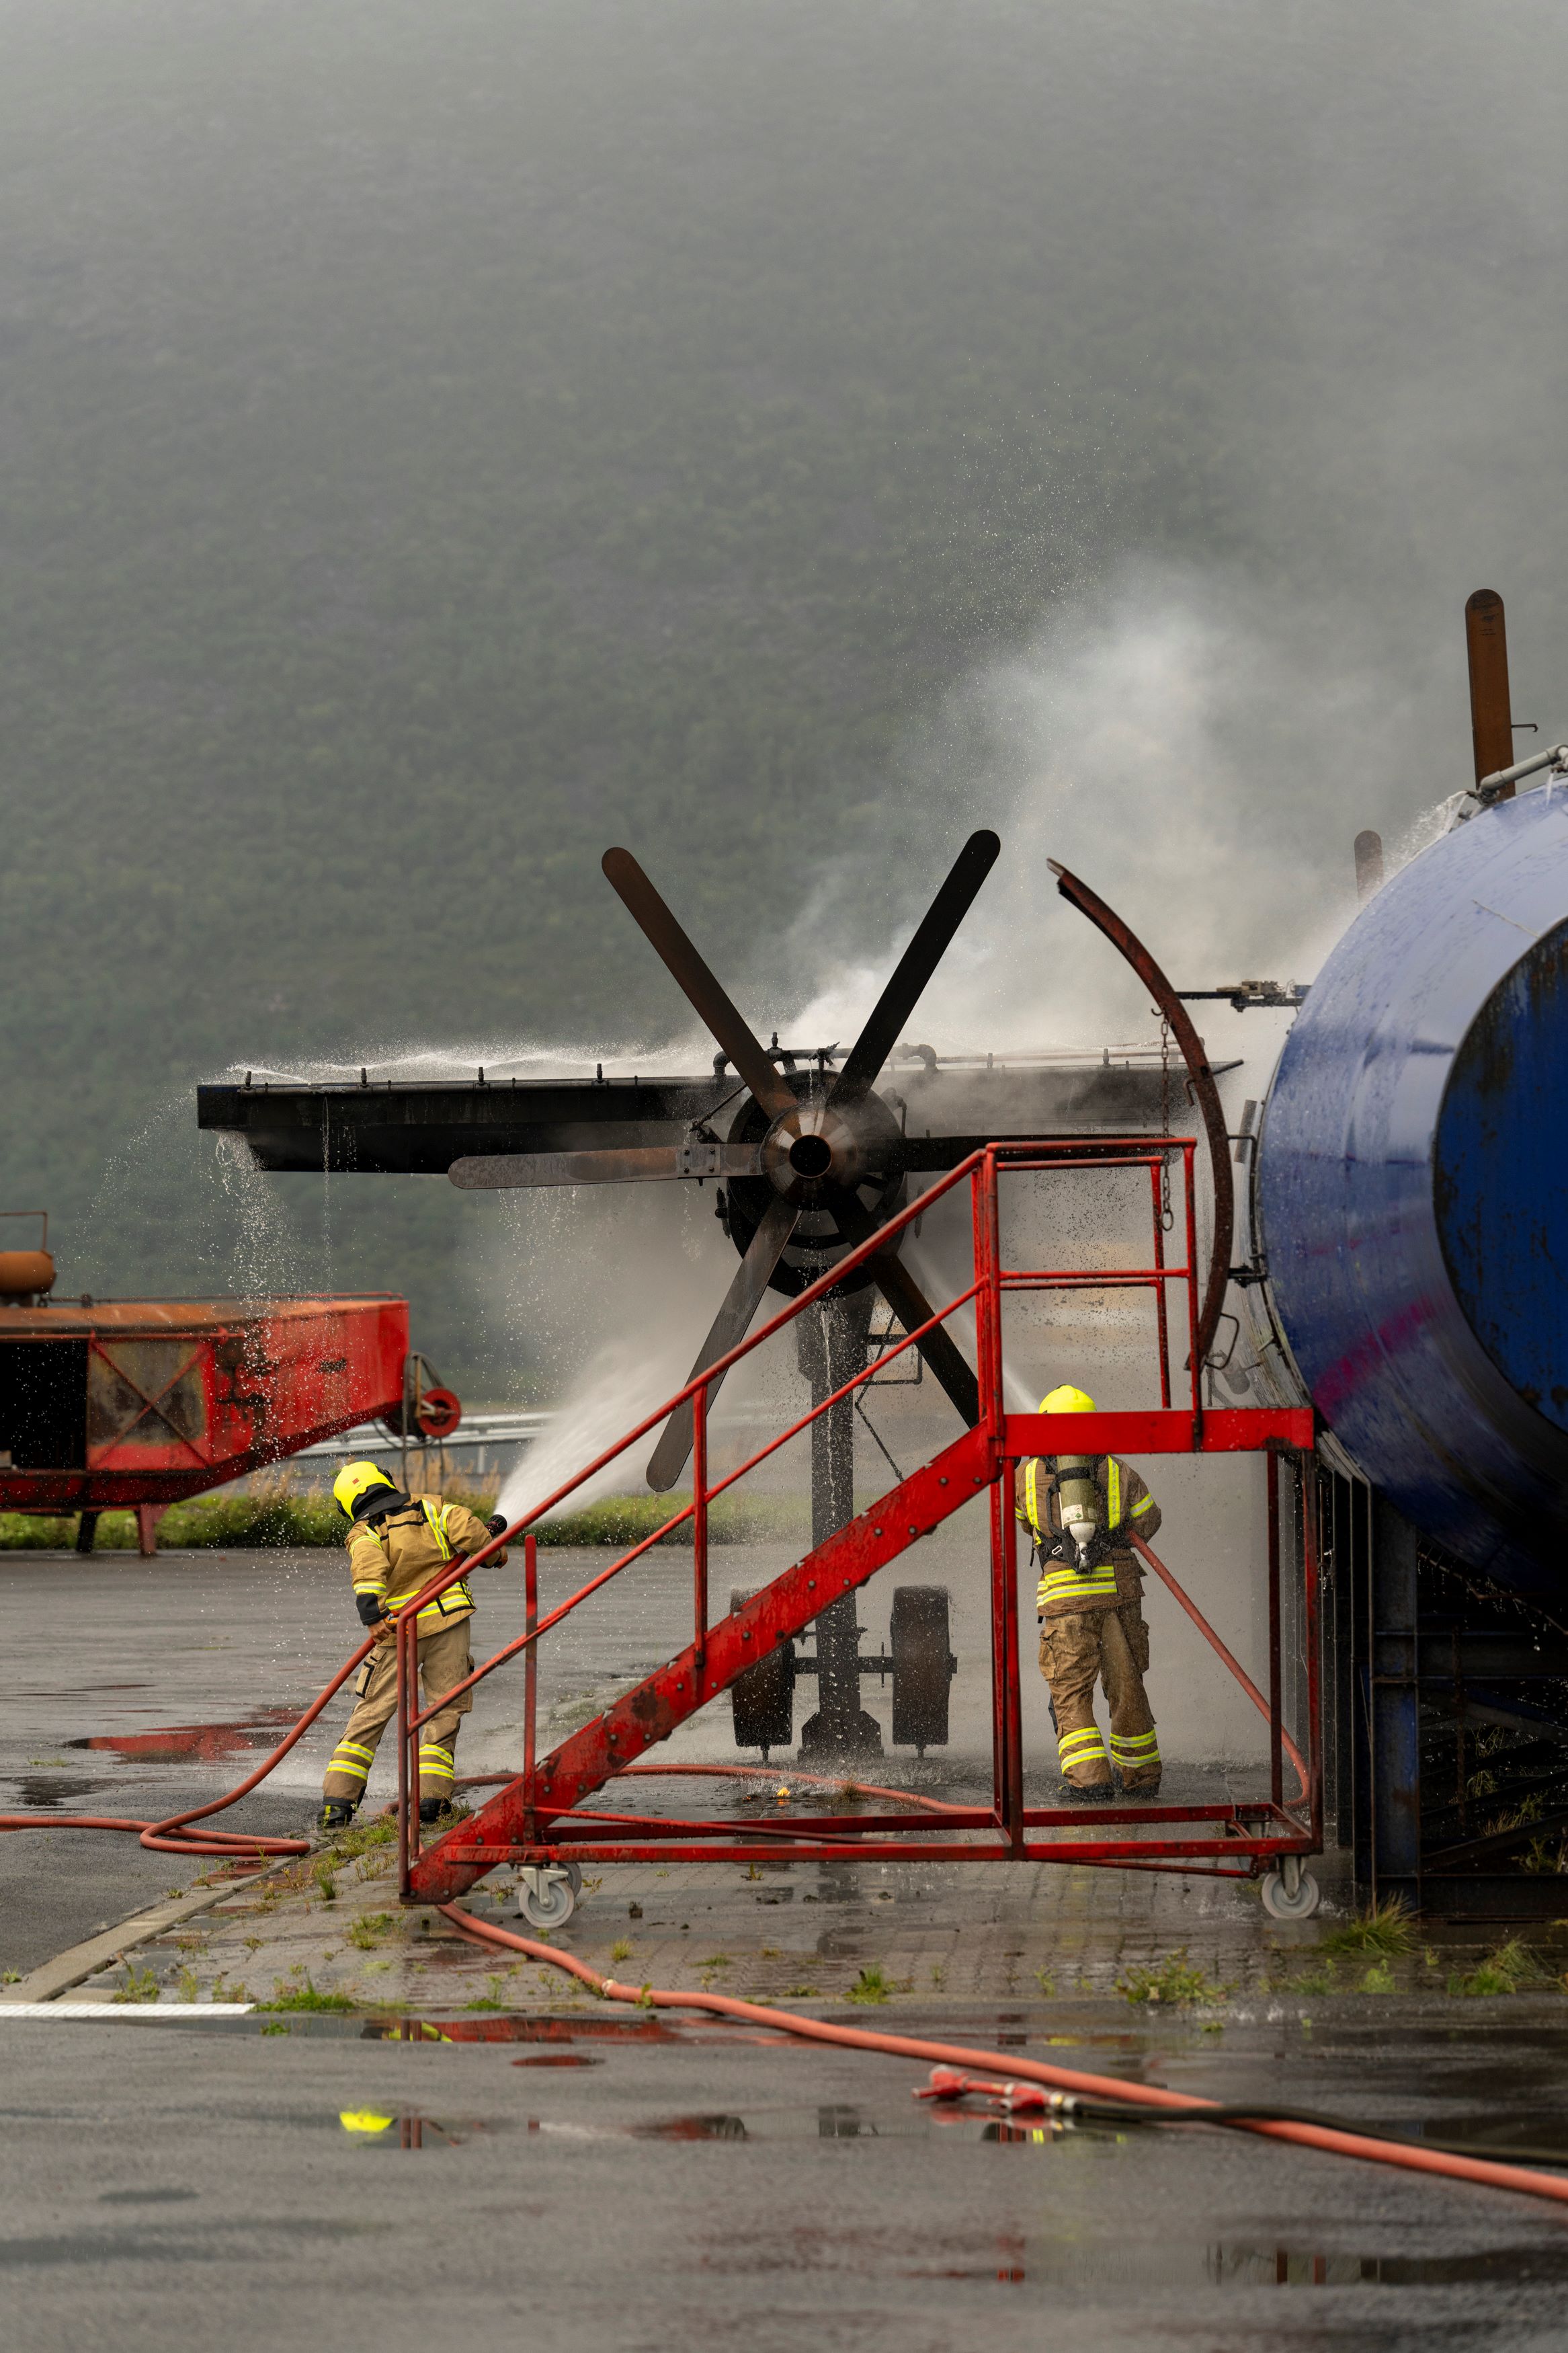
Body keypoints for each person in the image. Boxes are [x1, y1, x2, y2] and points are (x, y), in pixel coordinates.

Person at [319, 1462, 507, 1831]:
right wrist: (496, 1554)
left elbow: (368, 1572)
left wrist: (373, 1618)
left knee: (371, 1713)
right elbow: (473, 1535)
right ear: (386, 1480)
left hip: (397, 1633)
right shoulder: (433, 1506)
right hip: (449, 1625)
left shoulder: (364, 1532)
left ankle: (338, 1804)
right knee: (444, 1710)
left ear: (348, 1504)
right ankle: (431, 1802)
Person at [1015, 1385, 1163, 1800]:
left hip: (1066, 1604)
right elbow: (1150, 1521)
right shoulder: (1116, 1470)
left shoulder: (1026, 1475)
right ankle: (1142, 1778)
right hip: (1119, 1598)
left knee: (1071, 1692)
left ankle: (1090, 1782)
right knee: (1127, 1688)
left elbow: (1024, 1523)